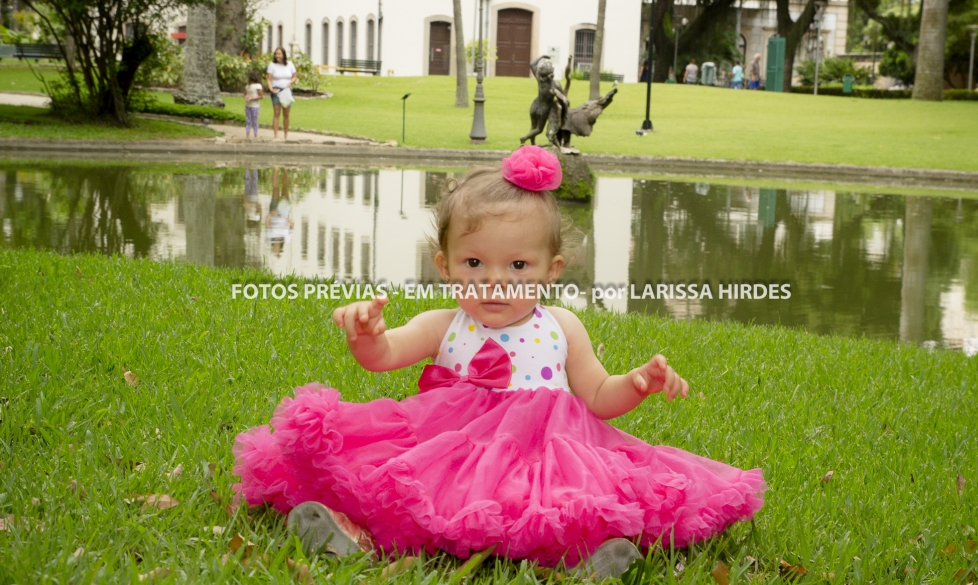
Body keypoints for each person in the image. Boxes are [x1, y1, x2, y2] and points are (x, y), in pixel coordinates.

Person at [232, 146, 765, 579]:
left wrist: (637, 381)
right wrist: (366, 334)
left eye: (517, 265)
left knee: (565, 503)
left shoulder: (562, 326)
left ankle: (583, 563)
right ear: (444, 265)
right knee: (401, 489)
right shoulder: (443, 324)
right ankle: (353, 535)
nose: (494, 280)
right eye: (473, 262)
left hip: (544, 452)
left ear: (552, 269)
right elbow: (384, 355)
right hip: (453, 449)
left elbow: (600, 398)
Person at [266, 47, 298, 140]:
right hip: (276, 90)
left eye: (279, 54)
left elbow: (294, 77)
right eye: (276, 54)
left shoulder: (290, 64)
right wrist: (271, 89)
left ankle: (286, 134)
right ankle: (276, 135)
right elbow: (268, 79)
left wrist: (290, 82)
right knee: (276, 113)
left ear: (283, 55)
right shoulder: (272, 65)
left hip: (287, 90)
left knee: (286, 114)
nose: (277, 56)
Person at [243, 70, 264, 140]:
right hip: (248, 105)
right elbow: (245, 94)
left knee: (255, 120)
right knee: (248, 120)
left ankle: (255, 134)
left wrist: (252, 98)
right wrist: (245, 97)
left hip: (255, 106)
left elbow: (261, 96)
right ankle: (247, 134)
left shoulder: (258, 86)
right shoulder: (247, 86)